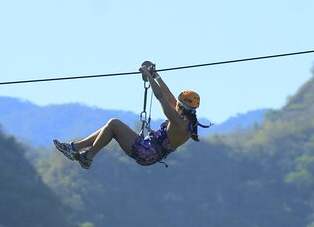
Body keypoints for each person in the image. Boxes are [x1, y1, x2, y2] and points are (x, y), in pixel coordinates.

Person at [53, 63, 209, 169]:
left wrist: (148, 75)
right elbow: (169, 96)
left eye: (178, 103)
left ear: (182, 106)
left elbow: (161, 97)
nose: (176, 104)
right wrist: (156, 76)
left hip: (146, 152)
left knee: (114, 124)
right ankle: (75, 148)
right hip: (149, 151)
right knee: (111, 127)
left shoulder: (178, 122)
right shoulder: (186, 121)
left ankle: (86, 156)